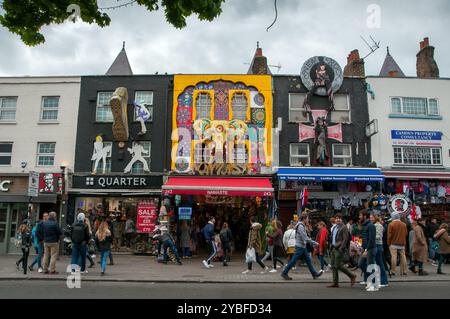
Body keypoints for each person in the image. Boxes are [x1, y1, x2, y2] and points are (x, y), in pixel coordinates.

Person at [281, 213, 323, 280]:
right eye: (307, 219)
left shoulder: (301, 225)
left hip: (302, 246)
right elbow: (305, 238)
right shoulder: (300, 226)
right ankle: (284, 273)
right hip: (300, 247)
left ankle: (314, 273)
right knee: (293, 261)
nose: (308, 220)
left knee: (308, 261)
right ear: (304, 219)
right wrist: (315, 243)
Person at [327, 214, 356, 288]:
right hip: (333, 247)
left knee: (338, 265)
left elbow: (345, 239)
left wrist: (341, 248)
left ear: (342, 219)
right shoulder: (334, 227)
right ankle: (335, 283)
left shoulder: (344, 227)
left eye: (339, 218)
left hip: (339, 248)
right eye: (336, 218)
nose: (338, 219)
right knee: (333, 266)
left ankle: (352, 275)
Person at [358, 211, 377, 290]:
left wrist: (366, 249)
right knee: (360, 264)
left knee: (370, 266)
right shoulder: (364, 225)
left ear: (365, 216)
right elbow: (364, 238)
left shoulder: (370, 225)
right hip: (365, 249)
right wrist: (361, 246)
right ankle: (369, 280)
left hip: (370, 249)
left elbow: (371, 239)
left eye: (360, 215)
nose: (359, 217)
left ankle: (372, 284)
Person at [387, 212, 408, 276]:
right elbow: (406, 234)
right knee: (403, 257)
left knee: (394, 257)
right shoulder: (404, 224)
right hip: (402, 243)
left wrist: (388, 243)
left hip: (393, 243)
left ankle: (393, 271)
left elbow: (389, 235)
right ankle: (404, 271)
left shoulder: (391, 224)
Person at [372, 214, 388, 287]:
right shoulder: (375, 225)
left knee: (379, 263)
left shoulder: (378, 225)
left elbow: (378, 236)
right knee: (378, 264)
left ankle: (383, 281)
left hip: (378, 245)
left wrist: (370, 237)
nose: (370, 219)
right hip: (376, 245)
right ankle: (380, 280)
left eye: (371, 217)